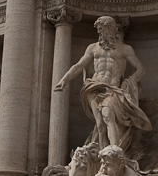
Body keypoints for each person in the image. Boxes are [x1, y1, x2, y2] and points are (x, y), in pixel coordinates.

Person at [55, 15, 151, 152]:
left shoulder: (125, 49)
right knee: (100, 125)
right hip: (93, 87)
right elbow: (78, 66)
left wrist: (129, 82)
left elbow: (141, 70)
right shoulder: (93, 48)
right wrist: (64, 79)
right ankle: (103, 156)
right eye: (99, 30)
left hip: (112, 90)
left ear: (111, 29)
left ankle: (115, 152)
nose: (100, 33)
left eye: (102, 30)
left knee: (108, 115)